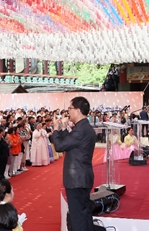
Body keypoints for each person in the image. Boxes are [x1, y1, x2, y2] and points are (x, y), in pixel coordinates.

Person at [52, 97, 96, 231]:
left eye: (70, 109)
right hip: (83, 177)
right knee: (85, 215)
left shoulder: (81, 130)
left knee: (77, 219)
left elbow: (59, 146)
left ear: (77, 110)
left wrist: (55, 129)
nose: (68, 112)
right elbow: (71, 142)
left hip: (76, 179)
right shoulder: (85, 127)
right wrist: (64, 128)